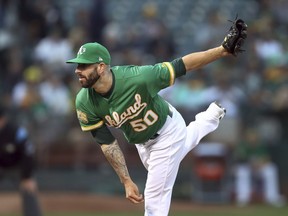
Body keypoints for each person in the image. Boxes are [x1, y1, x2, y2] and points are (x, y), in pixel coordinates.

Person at [66, 19, 247, 216]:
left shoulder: (138, 78)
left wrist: (221, 51)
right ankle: (209, 118)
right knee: (180, 149)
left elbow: (181, 65)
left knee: (154, 203)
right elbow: (107, 143)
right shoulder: (84, 101)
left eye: (84, 66)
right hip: (142, 143)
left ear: (101, 67)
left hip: (166, 130)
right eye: (77, 65)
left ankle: (208, 120)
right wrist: (126, 180)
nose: (77, 70)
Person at [0, 105, 42, 216]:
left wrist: (27, 177)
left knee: (28, 188)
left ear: (3, 119)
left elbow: (27, 154)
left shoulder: (17, 131)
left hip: (18, 167)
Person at [234, 127, 286, 207]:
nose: (252, 138)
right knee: (241, 171)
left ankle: (272, 197)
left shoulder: (261, 144)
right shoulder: (243, 145)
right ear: (247, 137)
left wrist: (261, 163)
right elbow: (241, 158)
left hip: (260, 168)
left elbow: (267, 157)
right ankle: (243, 198)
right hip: (248, 168)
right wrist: (252, 164)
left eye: (254, 136)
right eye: (250, 136)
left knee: (271, 169)